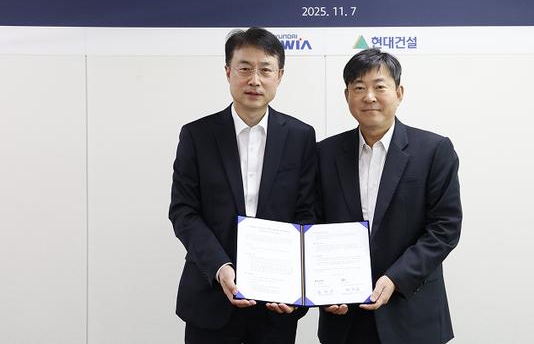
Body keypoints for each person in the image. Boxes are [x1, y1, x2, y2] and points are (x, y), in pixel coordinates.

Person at [169, 27, 316, 344]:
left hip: (276, 303)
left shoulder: (301, 137)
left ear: (280, 75)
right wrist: (220, 266)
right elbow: (184, 212)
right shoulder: (197, 135)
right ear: (228, 71)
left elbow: (306, 212)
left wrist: (294, 283)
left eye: (265, 70)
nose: (255, 80)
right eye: (245, 68)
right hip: (210, 297)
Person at [316, 49, 462, 344]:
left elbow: (444, 229)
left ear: (399, 92)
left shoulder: (434, 150)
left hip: (412, 313)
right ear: (347, 96)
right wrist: (323, 286)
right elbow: (314, 223)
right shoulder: (324, 153)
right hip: (345, 318)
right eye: (359, 88)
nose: (369, 97)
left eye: (379, 87)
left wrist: (396, 277)